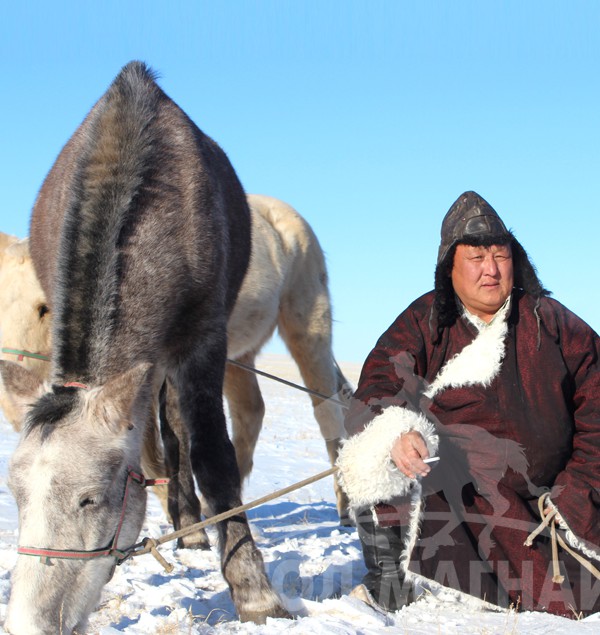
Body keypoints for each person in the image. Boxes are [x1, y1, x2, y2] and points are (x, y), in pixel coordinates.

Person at [337, 191, 600, 618]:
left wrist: (574, 491)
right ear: (450, 267)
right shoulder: (425, 321)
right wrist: (398, 431)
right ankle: (392, 583)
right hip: (458, 498)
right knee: (376, 450)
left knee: (576, 595)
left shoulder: (551, 321)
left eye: (501, 254)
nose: (492, 269)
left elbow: (598, 401)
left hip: (546, 504)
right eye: (477, 258)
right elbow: (378, 387)